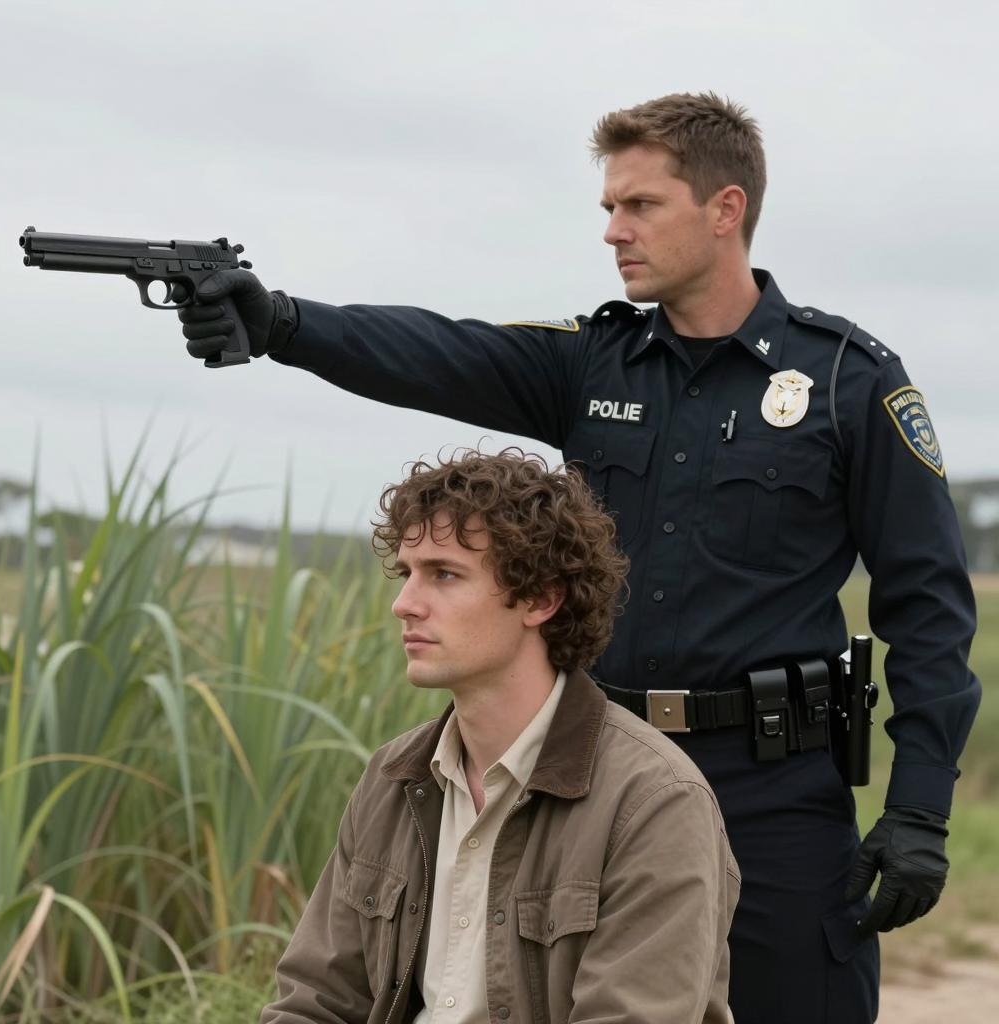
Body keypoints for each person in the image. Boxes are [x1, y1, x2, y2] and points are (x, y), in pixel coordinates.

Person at [179, 93, 980, 1024]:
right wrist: (280, 322)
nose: (613, 230)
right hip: (598, 782)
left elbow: (927, 604)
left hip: (773, 791)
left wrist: (919, 805)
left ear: (725, 209)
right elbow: (439, 351)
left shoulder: (846, 380)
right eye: (608, 207)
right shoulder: (594, 363)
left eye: (640, 205)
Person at [260, 449, 739, 1024]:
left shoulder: (655, 801)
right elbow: (314, 1002)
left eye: (444, 574)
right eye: (408, 573)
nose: (404, 604)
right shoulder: (393, 779)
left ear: (541, 598)